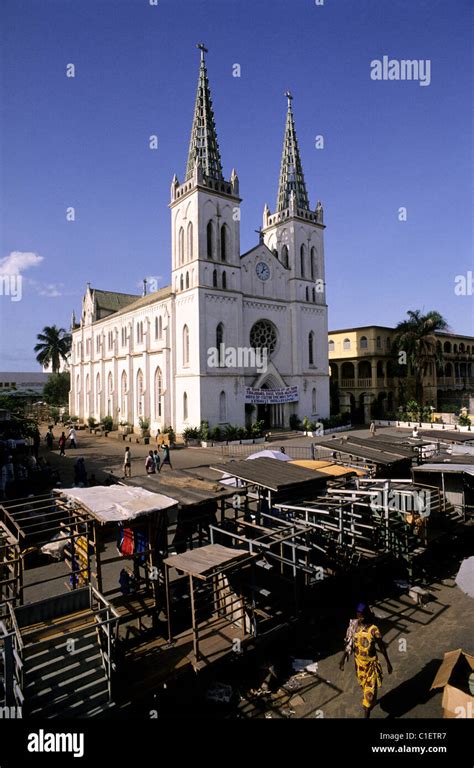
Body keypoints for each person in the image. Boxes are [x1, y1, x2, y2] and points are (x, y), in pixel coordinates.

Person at [339, 603, 392, 718]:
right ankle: (369, 701)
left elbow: (382, 647)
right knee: (366, 689)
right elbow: (350, 643)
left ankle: (367, 710)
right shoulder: (355, 626)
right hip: (359, 665)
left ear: (366, 615)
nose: (359, 618)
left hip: (371, 667)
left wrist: (388, 663)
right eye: (358, 615)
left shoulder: (374, 630)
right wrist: (343, 659)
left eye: (361, 616)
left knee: (369, 698)